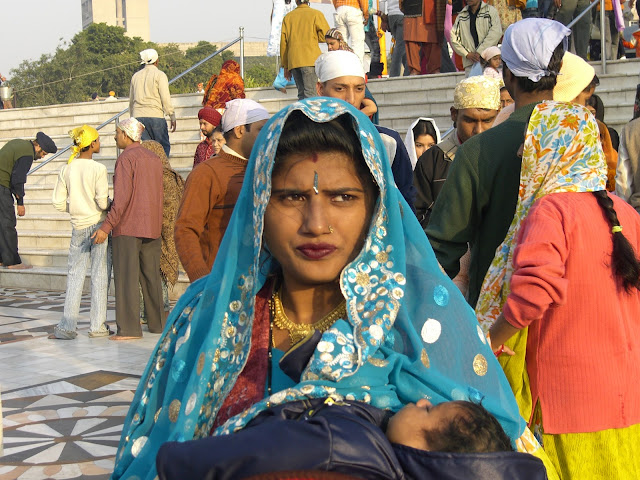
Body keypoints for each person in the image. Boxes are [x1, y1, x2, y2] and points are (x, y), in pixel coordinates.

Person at [111, 97, 531, 480]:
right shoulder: (207, 314)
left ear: (376, 207)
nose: (316, 224)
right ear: (259, 206)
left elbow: (490, 459)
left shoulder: (422, 315)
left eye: (343, 197)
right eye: (291, 197)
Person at [484, 101, 640, 479]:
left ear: (551, 149)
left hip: (569, 405)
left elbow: (533, 293)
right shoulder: (625, 213)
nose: (522, 155)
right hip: (628, 399)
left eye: (529, 145)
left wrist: (488, 341)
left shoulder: (552, 211)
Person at [426, 18, 570, 309]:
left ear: (508, 75)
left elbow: (442, 248)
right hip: (573, 307)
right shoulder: (584, 137)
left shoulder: (480, 151)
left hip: (503, 314)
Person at [156, 398, 546, 480]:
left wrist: (172, 460)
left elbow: (252, 451)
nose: (421, 400)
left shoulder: (339, 445)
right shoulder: (378, 446)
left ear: (426, 454)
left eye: (429, 411)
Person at [174, 99, 270, 282]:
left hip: (260, 283)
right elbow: (185, 230)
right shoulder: (206, 173)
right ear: (239, 130)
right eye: (261, 130)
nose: (267, 137)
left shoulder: (263, 169)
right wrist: (202, 282)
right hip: (221, 284)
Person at [92, 118, 164, 341]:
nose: (115, 137)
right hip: (152, 225)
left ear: (126, 135)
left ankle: (130, 329)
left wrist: (106, 227)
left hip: (128, 226)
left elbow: (121, 199)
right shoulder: (154, 158)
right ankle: (158, 324)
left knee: (126, 279)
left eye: (117, 133)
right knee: (151, 277)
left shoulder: (126, 158)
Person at [314, 50, 416, 209]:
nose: (351, 99)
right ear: (320, 89)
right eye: (340, 89)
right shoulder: (303, 140)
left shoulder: (387, 142)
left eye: (359, 89)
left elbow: (405, 205)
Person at [414, 75, 501, 228]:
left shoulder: (508, 154)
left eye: (487, 120)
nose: (479, 130)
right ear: (454, 114)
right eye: (470, 120)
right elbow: (417, 217)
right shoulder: (432, 161)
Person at [51, 125, 111, 340]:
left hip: (77, 227)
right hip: (98, 226)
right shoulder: (98, 169)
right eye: (98, 140)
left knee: (75, 275)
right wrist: (109, 206)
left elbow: (58, 203)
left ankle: (67, 327)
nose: (100, 143)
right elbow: (102, 203)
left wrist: (75, 208)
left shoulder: (66, 169)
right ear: (92, 144)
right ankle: (97, 326)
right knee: (100, 275)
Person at [139, 141, 185, 324]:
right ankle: (153, 311)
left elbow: (166, 206)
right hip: (164, 230)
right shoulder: (169, 175)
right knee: (156, 271)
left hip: (162, 230)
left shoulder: (161, 176)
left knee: (158, 271)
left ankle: (160, 310)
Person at [0, 132, 57, 269]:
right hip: (2, 186)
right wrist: (20, 203)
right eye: (43, 153)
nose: (42, 157)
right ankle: (13, 262)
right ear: (38, 147)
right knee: (8, 224)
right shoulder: (27, 154)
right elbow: (18, 180)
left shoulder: (20, 143)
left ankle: (2, 259)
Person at [129, 49, 176, 158]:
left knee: (144, 151)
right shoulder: (160, 75)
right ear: (157, 61)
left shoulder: (135, 76)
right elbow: (165, 98)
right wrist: (172, 116)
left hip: (138, 117)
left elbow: (131, 101)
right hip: (156, 116)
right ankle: (162, 169)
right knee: (162, 149)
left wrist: (132, 118)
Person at [280, 0, 330, 100]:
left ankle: (302, 110)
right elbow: (326, 36)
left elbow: (283, 44)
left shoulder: (288, 17)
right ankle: (311, 111)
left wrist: (285, 66)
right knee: (311, 93)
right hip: (310, 59)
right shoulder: (316, 14)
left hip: (294, 61)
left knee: (301, 94)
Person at [324, 29, 378, 119]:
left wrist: (352, 118)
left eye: (332, 44)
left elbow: (371, 108)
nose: (329, 47)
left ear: (340, 42)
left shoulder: (348, 57)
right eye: (327, 44)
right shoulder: (333, 60)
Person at [450, 0, 502, 75]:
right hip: (470, 63)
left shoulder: (490, 11)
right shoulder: (461, 16)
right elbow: (454, 37)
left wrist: (480, 52)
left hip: (489, 61)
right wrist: (467, 54)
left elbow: (496, 33)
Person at [401, 0, 443, 75]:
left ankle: (434, 68)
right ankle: (414, 70)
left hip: (430, 8)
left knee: (432, 38)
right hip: (410, 8)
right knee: (411, 39)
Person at [332, 0, 369, 65]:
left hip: (339, 10)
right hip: (353, 10)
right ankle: (356, 66)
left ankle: (341, 66)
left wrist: (338, 8)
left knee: (341, 43)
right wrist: (366, 15)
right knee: (357, 43)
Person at [380, 0, 407, 76]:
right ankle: (394, 74)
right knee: (400, 45)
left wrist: (383, 19)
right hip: (402, 14)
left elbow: (381, 1)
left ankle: (408, 71)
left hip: (391, 15)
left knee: (402, 46)